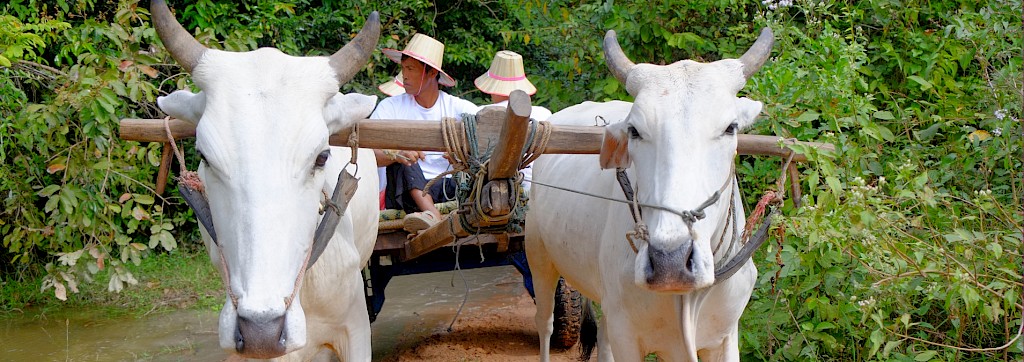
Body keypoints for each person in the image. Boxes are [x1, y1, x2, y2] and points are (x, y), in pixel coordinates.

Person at [372, 34, 478, 233]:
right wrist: (396, 153)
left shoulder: (459, 108)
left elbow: (486, 139)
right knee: (403, 158)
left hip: (450, 189)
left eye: (410, 69)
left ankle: (432, 217)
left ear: (431, 73)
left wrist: (463, 155)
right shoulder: (390, 107)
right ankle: (436, 220)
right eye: (403, 68)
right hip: (405, 194)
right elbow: (368, 154)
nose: (404, 75)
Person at [474, 50, 552, 193]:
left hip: (490, 189)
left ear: (493, 88)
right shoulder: (544, 114)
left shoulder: (480, 113)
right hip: (538, 188)